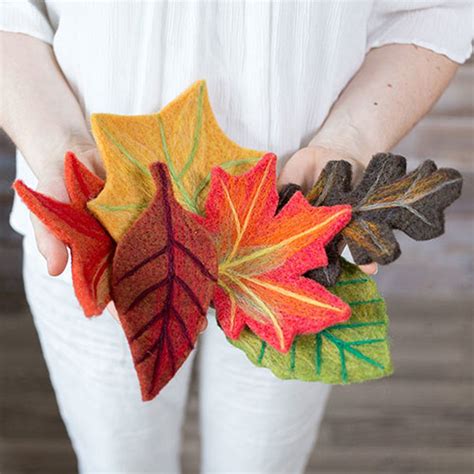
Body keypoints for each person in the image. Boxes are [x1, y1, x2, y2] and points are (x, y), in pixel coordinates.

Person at [0, 1, 472, 473]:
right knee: (119, 461)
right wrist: (55, 144)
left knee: (265, 462)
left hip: (292, 229)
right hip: (102, 225)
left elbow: (433, 9)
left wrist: (349, 142)